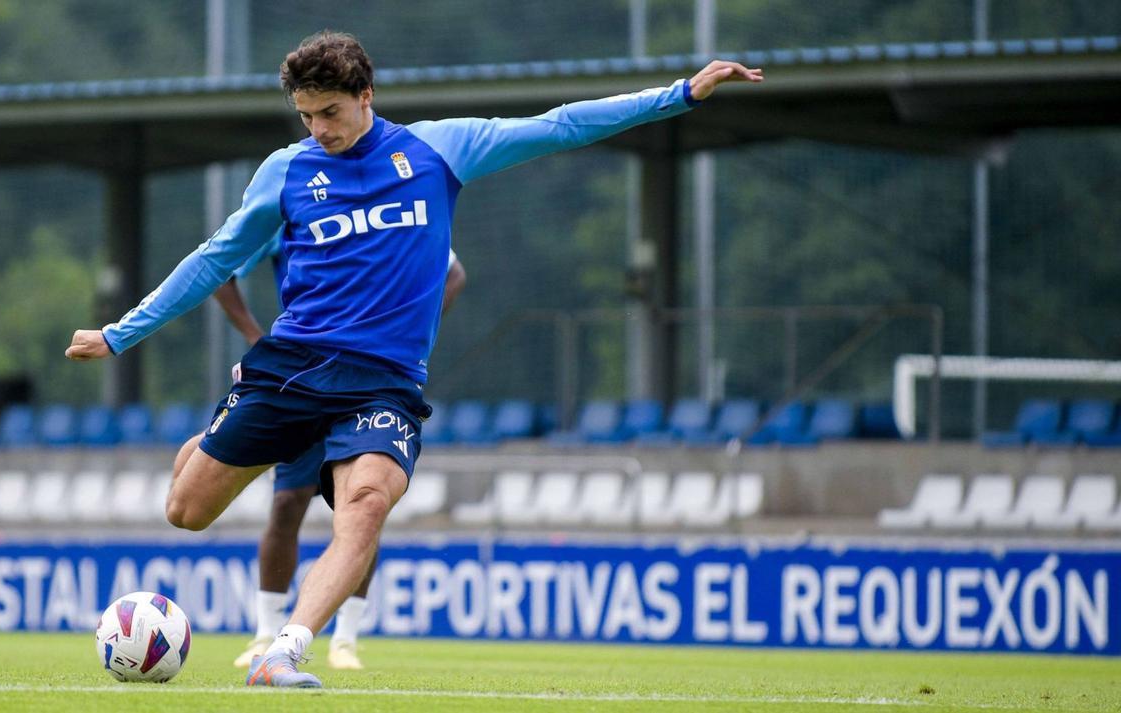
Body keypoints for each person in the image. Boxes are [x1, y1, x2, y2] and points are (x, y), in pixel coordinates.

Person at [66, 30, 761, 689]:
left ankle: (284, 649)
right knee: (185, 510)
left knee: (365, 505)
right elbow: (214, 259)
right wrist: (121, 332)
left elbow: (561, 124)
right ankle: (225, 434)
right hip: (294, 367)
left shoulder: (439, 151)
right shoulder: (286, 171)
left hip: (384, 384)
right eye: (306, 115)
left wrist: (680, 94)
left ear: (367, 95)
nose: (320, 130)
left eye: (330, 112)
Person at [213, 238, 466, 670]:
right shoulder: (287, 197)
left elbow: (454, 273)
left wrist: (414, 334)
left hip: (371, 382)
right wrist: (259, 339)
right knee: (286, 502)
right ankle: (264, 633)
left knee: (364, 507)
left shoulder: (400, 201)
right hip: (304, 377)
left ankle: (345, 639)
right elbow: (220, 271)